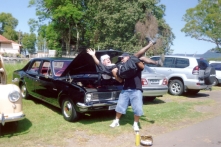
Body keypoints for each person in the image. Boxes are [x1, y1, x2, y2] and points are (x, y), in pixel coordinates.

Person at [87, 39, 164, 83]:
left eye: (108, 58)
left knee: (141, 58)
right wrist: (93, 55)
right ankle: (150, 43)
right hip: (123, 71)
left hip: (125, 70)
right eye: (105, 60)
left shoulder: (115, 64)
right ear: (103, 62)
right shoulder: (106, 68)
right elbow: (98, 63)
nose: (108, 60)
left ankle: (157, 62)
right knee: (135, 56)